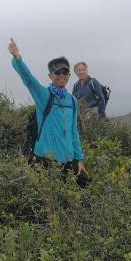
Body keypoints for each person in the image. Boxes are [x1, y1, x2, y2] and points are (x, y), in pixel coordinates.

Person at [8, 38, 89, 186]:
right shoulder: (44, 96)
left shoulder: (72, 101)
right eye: (57, 73)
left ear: (69, 76)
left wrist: (79, 160)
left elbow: (73, 132)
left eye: (65, 72)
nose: (62, 76)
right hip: (46, 159)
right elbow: (29, 79)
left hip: (68, 159)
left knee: (75, 194)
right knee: (48, 200)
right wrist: (17, 58)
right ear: (50, 76)